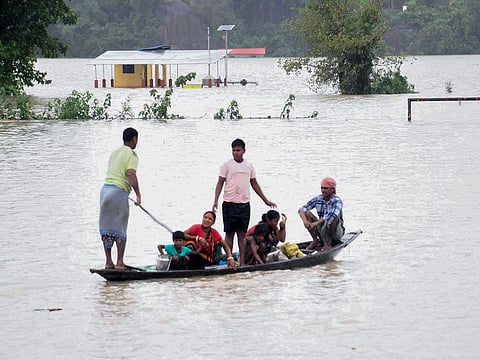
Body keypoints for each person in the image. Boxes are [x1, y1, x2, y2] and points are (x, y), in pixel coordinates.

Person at [212, 138, 276, 266]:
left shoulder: (249, 166)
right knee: (229, 234)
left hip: (244, 205)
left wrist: (265, 200)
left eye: (238, 150)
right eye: (233, 150)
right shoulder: (226, 165)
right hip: (229, 203)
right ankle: (230, 261)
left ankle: (242, 263)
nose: (235, 153)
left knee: (242, 235)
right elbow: (220, 183)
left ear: (244, 151)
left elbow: (254, 184)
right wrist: (215, 200)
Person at [99, 127, 141, 270]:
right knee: (120, 229)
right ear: (134, 139)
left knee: (106, 228)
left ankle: (108, 262)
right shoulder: (132, 155)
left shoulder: (114, 153)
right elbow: (130, 174)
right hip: (118, 192)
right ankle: (120, 262)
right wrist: (138, 194)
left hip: (105, 191)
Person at [298, 177, 345, 251]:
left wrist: (315, 224)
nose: (323, 190)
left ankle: (328, 243)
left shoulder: (337, 201)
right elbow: (302, 209)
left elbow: (331, 215)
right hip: (322, 229)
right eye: (322, 188)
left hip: (335, 233)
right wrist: (305, 221)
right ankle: (315, 240)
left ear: (332, 189)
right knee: (307, 213)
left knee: (333, 218)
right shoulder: (318, 199)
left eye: (326, 188)